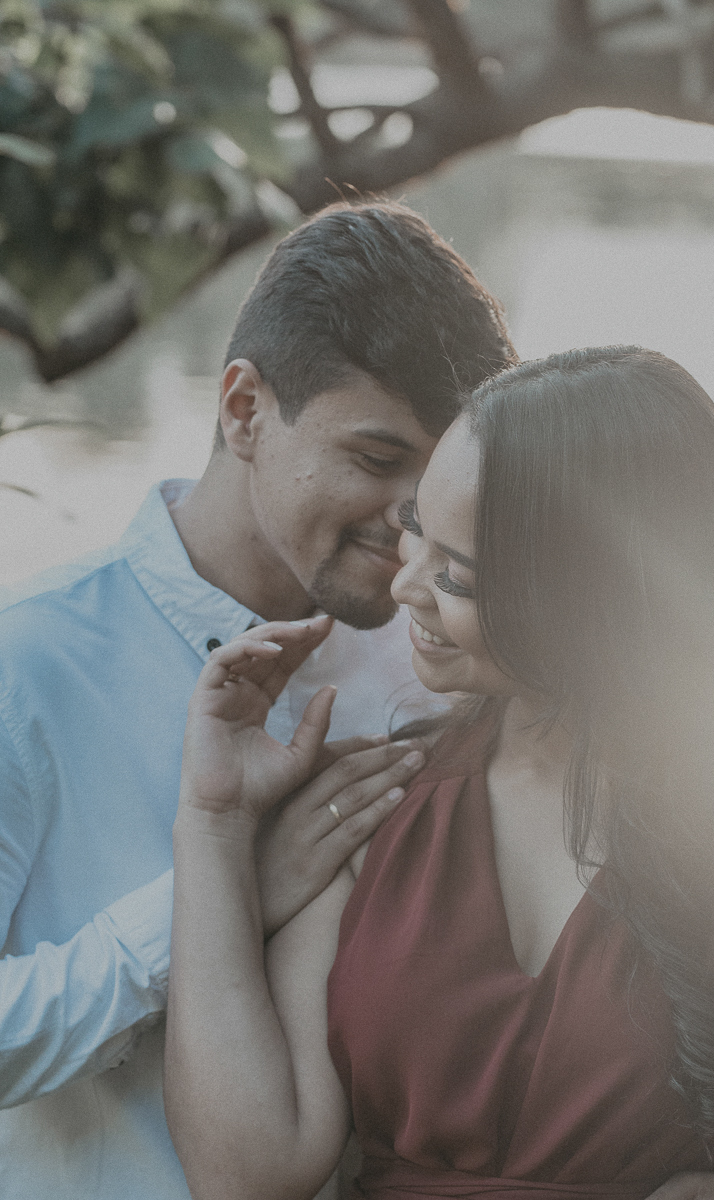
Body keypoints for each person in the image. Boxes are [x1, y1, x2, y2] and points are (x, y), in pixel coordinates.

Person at [164, 349, 714, 1200]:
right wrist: (212, 822)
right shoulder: (380, 796)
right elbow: (248, 1174)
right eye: (413, 531)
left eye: (455, 574)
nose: (404, 586)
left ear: (588, 596)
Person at [0, 201, 515, 1199]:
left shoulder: (446, 673)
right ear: (243, 410)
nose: (414, 519)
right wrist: (215, 897)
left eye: (443, 474)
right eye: (376, 459)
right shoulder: (30, 662)